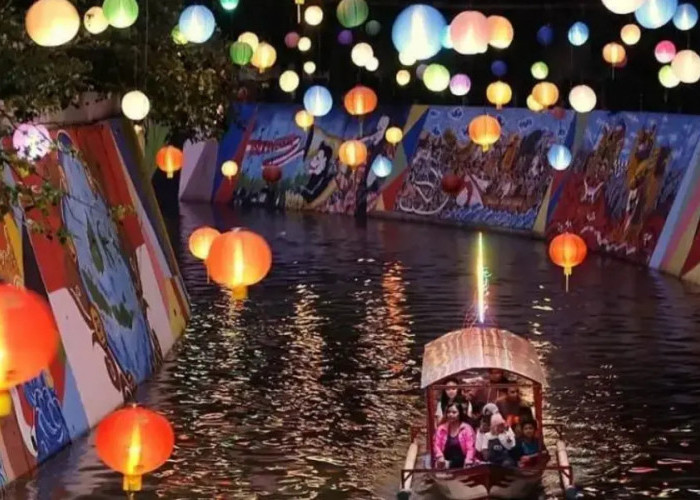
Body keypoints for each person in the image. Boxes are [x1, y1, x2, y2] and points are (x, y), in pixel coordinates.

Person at [433, 403, 475, 469]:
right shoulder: (441, 429)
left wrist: (468, 461)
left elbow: (470, 448)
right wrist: (440, 456)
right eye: (449, 412)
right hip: (444, 462)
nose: (450, 414)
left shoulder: (467, 429)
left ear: (459, 414)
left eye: (454, 412)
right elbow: (436, 445)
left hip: (462, 462)